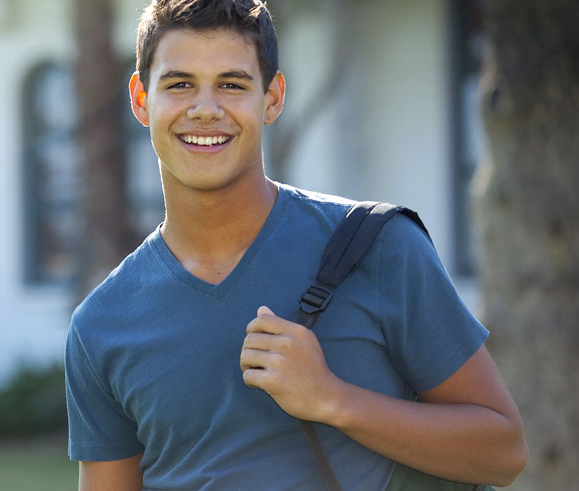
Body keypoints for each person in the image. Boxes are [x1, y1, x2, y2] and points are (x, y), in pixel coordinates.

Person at [63, 1, 528, 489]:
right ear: (140, 99)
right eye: (180, 84)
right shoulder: (101, 324)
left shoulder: (379, 247)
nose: (205, 109)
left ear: (272, 97)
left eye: (232, 84)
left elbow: (503, 451)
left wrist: (332, 399)